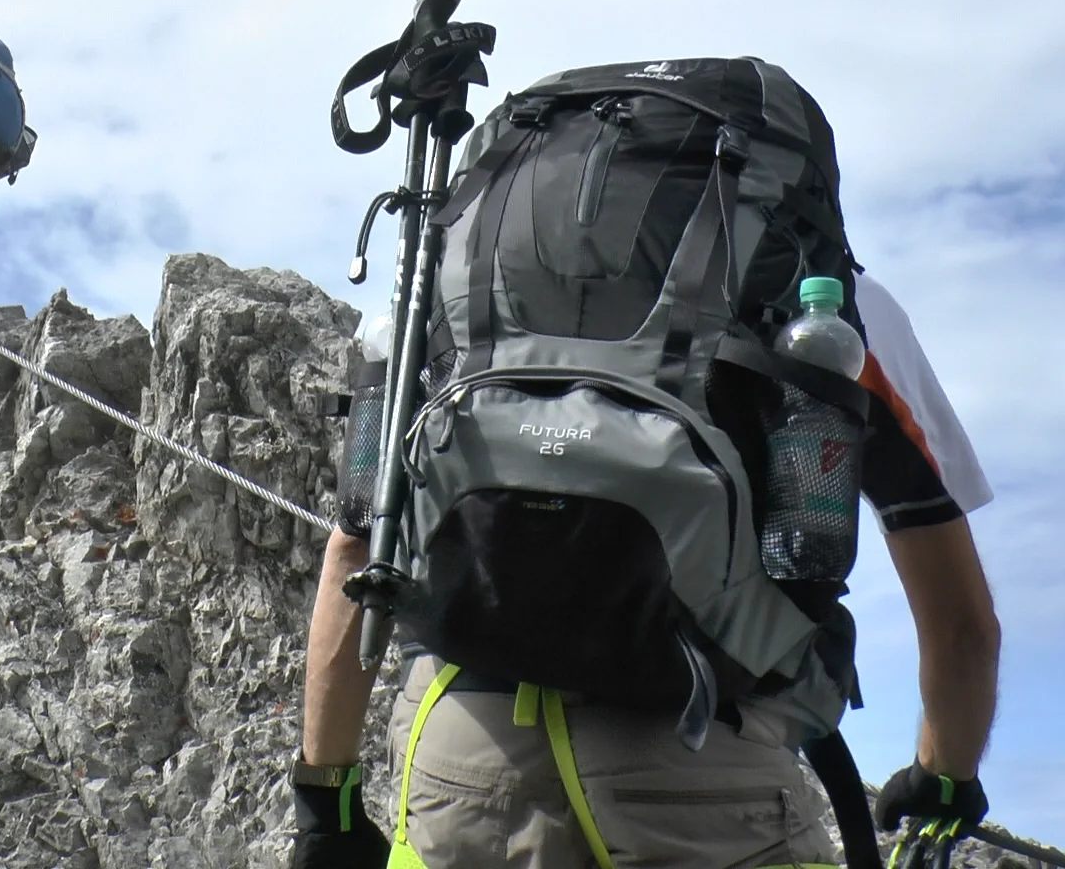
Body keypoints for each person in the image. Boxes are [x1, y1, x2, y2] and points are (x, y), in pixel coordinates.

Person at [289, 270, 1001, 869]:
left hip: (464, 754)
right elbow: (962, 628)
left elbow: (357, 545)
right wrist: (945, 780)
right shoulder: (835, 300)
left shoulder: (457, 263)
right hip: (702, 764)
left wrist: (327, 799)